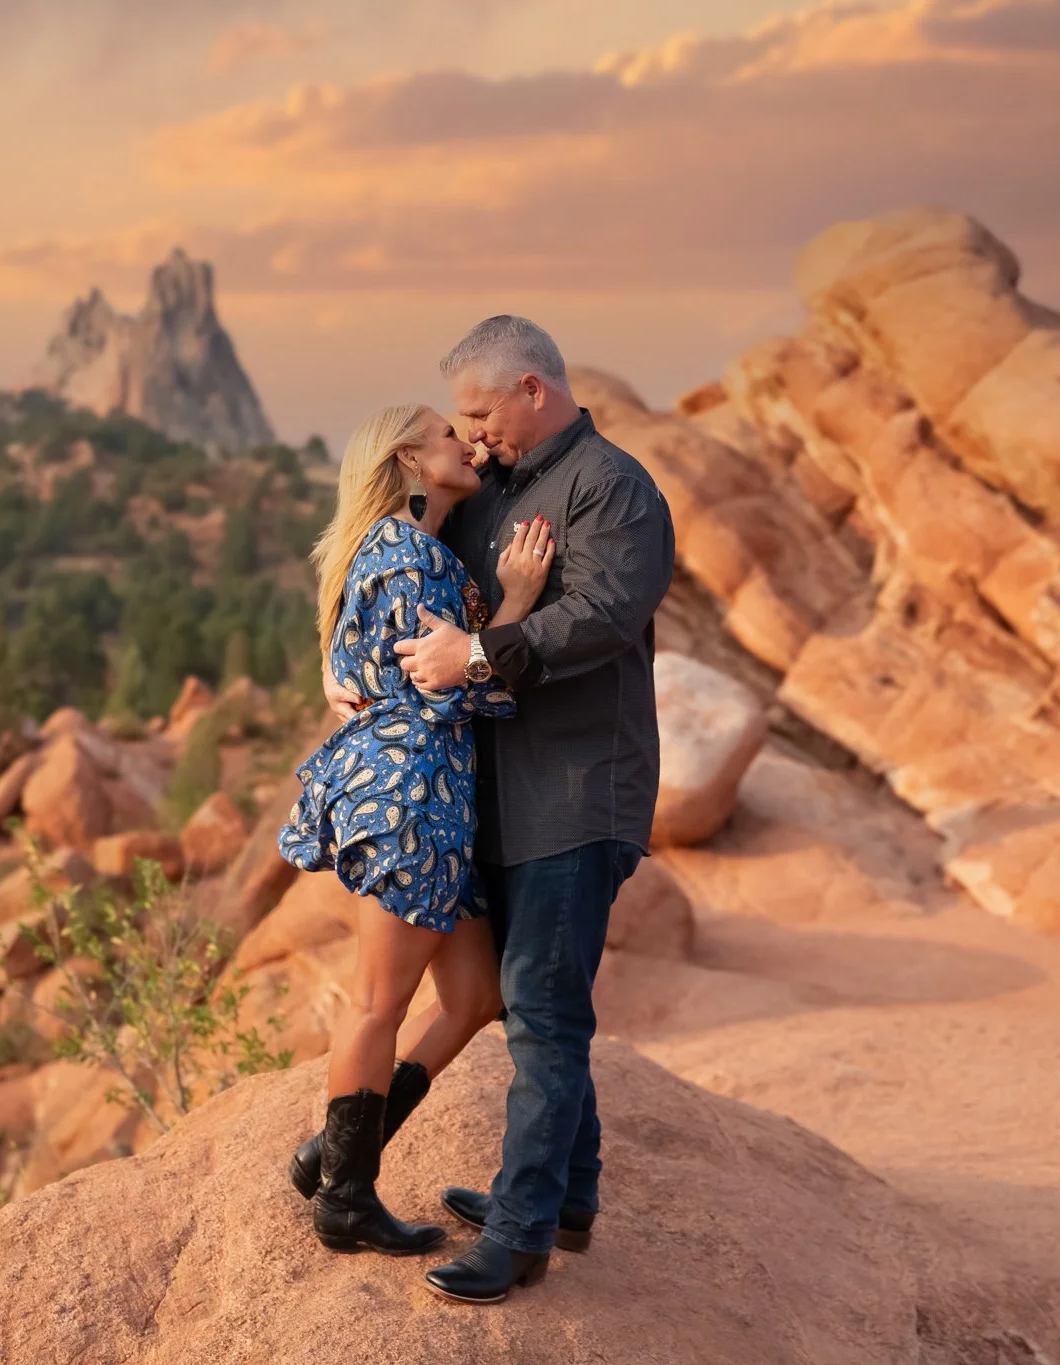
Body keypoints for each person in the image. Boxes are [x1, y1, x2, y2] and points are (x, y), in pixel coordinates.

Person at [330, 316, 675, 1303]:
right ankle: (565, 1196)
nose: (472, 436)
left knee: (544, 1017)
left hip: (575, 792)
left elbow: (604, 615)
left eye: (480, 414)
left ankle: (520, 1237)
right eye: (460, 424)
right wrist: (341, 663)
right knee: (540, 1005)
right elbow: (405, 581)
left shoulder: (611, 488)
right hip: (496, 795)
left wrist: (477, 655)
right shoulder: (500, 494)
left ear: (532, 389)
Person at [278, 400, 556, 1256]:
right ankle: (347, 1201)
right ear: (406, 461)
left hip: (434, 803)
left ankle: (337, 1150)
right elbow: (463, 685)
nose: (466, 442)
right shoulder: (404, 555)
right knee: (379, 1001)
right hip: (409, 799)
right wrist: (515, 601)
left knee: (475, 995)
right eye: (446, 435)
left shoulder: (417, 551)